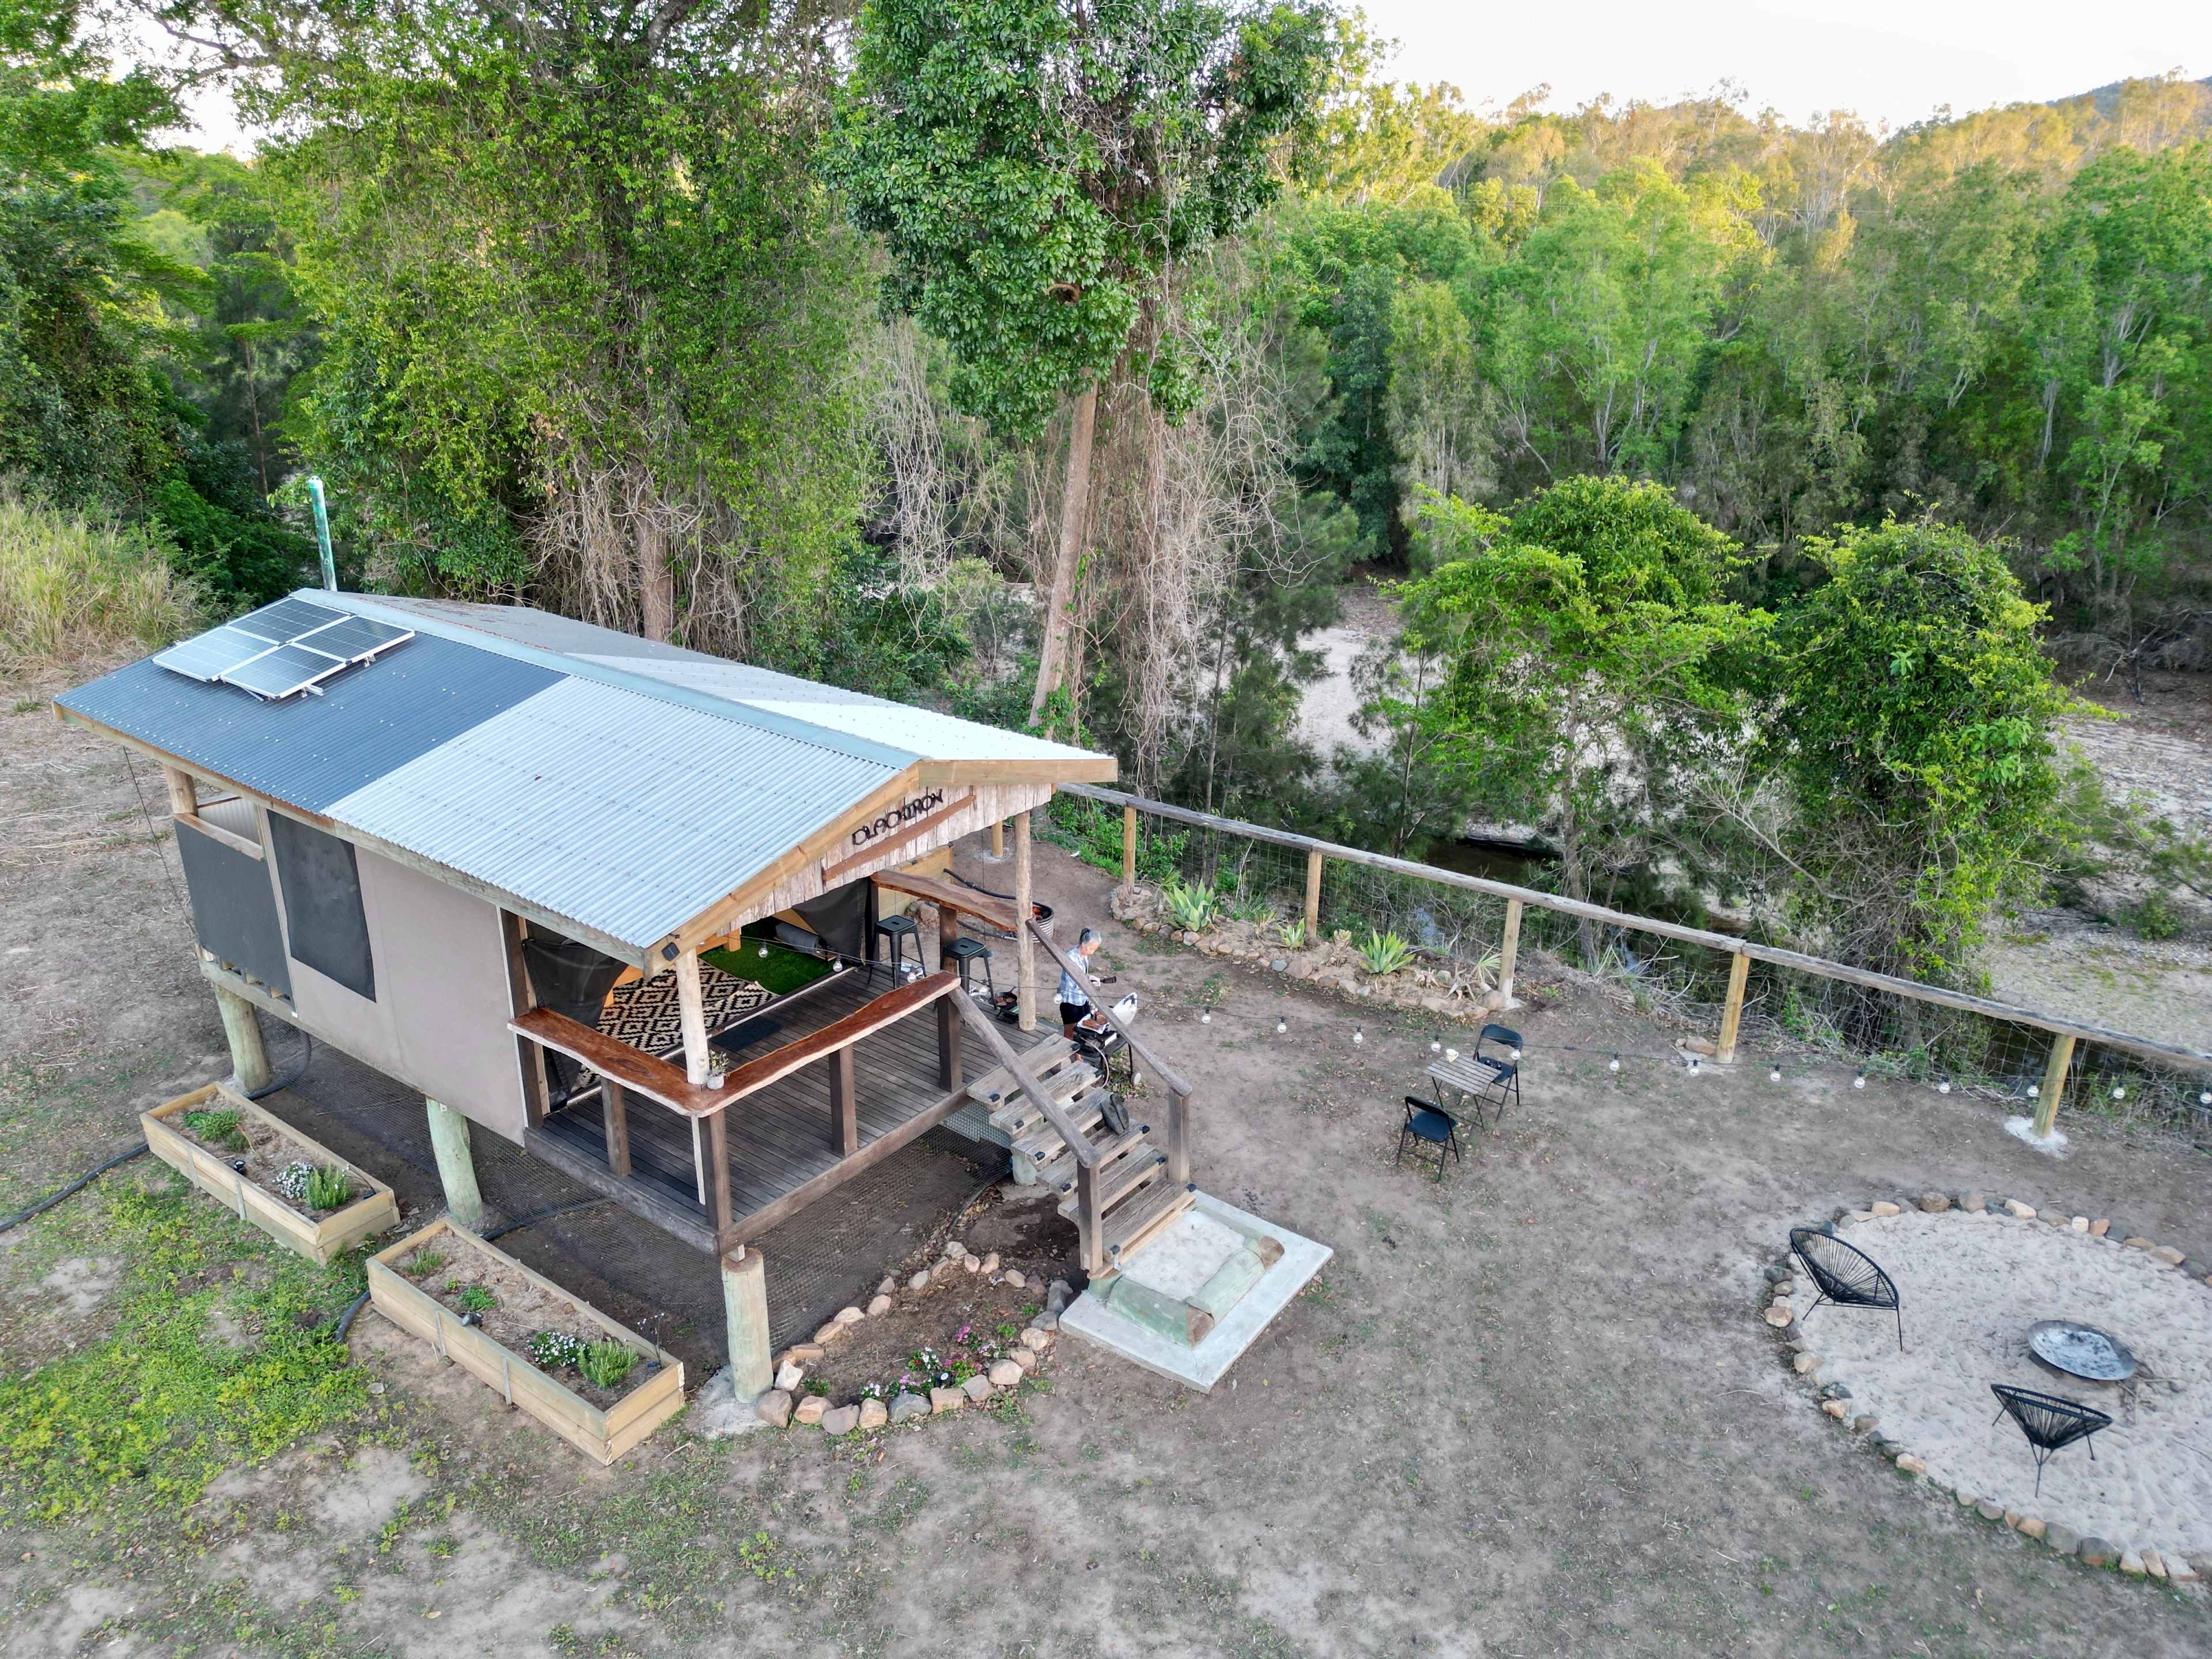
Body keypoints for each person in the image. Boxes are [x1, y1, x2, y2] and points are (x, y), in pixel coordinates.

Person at [1057, 927, 1108, 1037]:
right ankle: (1066, 1054)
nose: (1092, 952)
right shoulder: (1071, 959)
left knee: (1082, 1028)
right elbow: (1072, 985)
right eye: (1091, 949)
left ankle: (1078, 1055)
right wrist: (1089, 985)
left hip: (1082, 999)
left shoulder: (1083, 956)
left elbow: (1082, 975)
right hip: (1071, 1002)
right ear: (1084, 944)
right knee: (1070, 1031)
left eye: (1094, 950)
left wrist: (1090, 978)